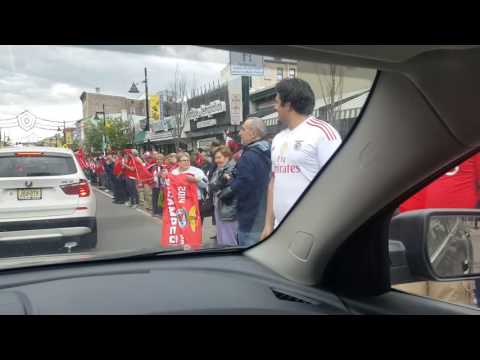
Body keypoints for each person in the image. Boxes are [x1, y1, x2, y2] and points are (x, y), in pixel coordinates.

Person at [395, 152, 480, 306]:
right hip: (407, 229)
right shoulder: (404, 139)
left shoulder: (467, 138)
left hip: (452, 233)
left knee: (449, 298)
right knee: (407, 298)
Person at [261, 78, 342, 240]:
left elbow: (338, 185)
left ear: (289, 104)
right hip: (280, 231)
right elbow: (273, 182)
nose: (274, 107)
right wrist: (268, 225)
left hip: (312, 232)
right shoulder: (278, 138)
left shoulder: (323, 133)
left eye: (277, 102)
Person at [219, 117, 271, 246]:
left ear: (253, 134)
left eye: (243, 129)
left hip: (251, 217)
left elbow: (244, 183)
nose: (239, 133)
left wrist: (228, 190)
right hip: (264, 213)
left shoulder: (249, 156)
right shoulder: (268, 150)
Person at [209, 146, 238, 247]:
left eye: (219, 157)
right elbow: (212, 186)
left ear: (227, 157)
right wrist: (217, 186)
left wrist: (216, 188)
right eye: (215, 158)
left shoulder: (232, 169)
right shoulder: (218, 169)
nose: (216, 160)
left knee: (229, 239)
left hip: (228, 207)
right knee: (221, 238)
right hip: (218, 206)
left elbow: (230, 189)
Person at [169, 153, 208, 222]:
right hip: (180, 202)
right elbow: (169, 187)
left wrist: (195, 180)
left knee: (194, 223)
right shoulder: (174, 173)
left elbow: (205, 184)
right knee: (183, 224)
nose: (186, 162)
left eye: (188, 160)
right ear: (178, 162)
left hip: (195, 201)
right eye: (184, 160)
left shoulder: (196, 171)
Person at [151, 153, 165, 217]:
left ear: (163, 160)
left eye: (160, 159)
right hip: (155, 185)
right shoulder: (153, 167)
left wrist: (161, 175)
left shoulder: (164, 167)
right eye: (157, 159)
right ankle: (155, 211)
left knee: (161, 199)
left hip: (162, 186)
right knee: (154, 198)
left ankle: (160, 212)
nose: (159, 161)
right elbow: (150, 174)